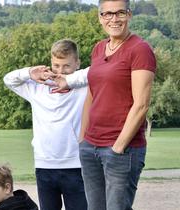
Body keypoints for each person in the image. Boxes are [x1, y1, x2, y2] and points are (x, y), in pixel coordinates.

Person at [78, 0, 156, 209]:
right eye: (108, 14)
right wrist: (82, 138)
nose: (114, 18)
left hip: (122, 150)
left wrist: (118, 148)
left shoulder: (140, 50)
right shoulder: (98, 49)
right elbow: (91, 95)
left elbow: (141, 105)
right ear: (100, 18)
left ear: (129, 15)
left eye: (120, 13)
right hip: (90, 147)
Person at [3, 39, 88, 210]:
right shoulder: (37, 88)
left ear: (77, 63)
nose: (60, 71)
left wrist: (70, 80)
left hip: (76, 165)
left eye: (67, 66)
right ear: (50, 63)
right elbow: (8, 80)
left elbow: (99, 71)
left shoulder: (84, 87)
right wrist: (29, 73)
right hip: (44, 165)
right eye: (56, 65)